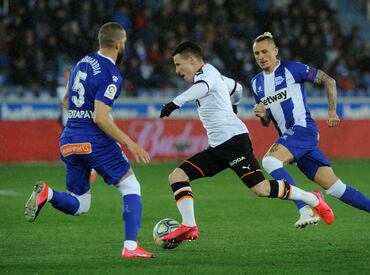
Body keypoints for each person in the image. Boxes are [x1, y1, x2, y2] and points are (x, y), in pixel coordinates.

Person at [159, 41, 334, 244]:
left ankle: (313, 199)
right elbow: (237, 88)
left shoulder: (206, 75)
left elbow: (203, 88)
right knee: (178, 176)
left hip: (234, 143)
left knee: (261, 189)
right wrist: (233, 107)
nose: (177, 70)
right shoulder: (215, 76)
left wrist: (175, 103)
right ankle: (189, 226)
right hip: (218, 147)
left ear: (192, 60)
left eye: (179, 64)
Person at [250, 32, 370, 241]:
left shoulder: (292, 69)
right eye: (256, 53)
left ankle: (306, 208)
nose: (260, 56)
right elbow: (267, 120)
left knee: (270, 160)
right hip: (292, 139)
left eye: (265, 51)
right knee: (336, 188)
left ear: (275, 51)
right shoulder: (256, 83)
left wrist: (332, 111)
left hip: (303, 130)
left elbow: (329, 81)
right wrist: (262, 115)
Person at [24, 22, 154, 258]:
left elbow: (65, 101)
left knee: (80, 204)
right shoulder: (111, 74)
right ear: (118, 44)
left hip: (69, 139)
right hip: (93, 139)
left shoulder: (81, 63)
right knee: (130, 185)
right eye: (124, 44)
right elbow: (101, 118)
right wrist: (130, 143)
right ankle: (131, 248)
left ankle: (48, 194)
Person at [56, 65, 97, 184]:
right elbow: (61, 107)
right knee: (68, 151)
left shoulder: (82, 88)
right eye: (66, 74)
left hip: (79, 122)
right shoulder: (60, 90)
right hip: (66, 124)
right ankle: (75, 171)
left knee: (84, 147)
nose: (67, 76)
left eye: (69, 73)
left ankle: (91, 170)